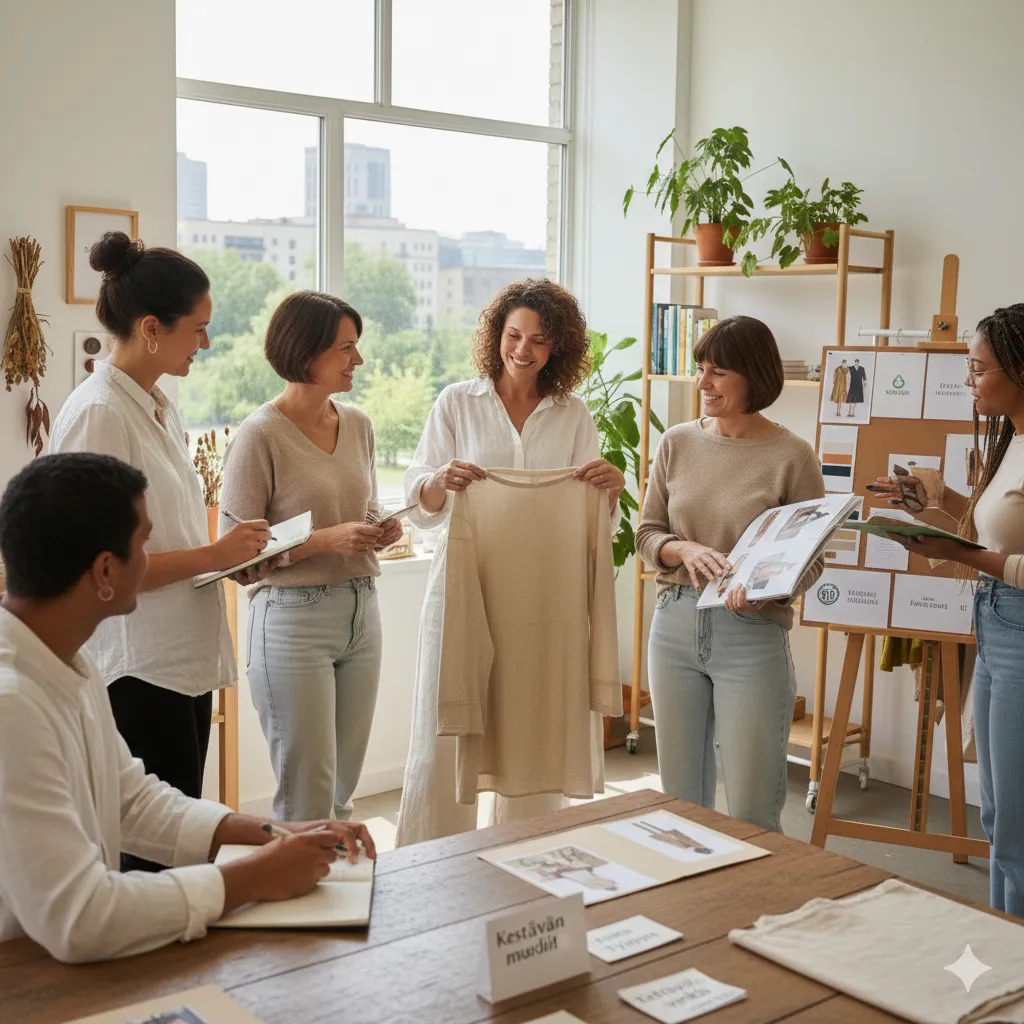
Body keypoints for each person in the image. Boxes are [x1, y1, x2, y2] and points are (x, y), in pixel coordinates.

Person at [0, 453, 376, 963]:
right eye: (145, 543)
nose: (153, 558)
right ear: (106, 570)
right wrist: (252, 877)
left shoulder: (68, 659)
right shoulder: (12, 705)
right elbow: (81, 918)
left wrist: (278, 832)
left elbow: (130, 801)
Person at [49, 233, 272, 871]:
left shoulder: (155, 406)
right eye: (196, 330)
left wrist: (230, 557)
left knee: (177, 848)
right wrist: (213, 556)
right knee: (150, 860)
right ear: (151, 328)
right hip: (139, 670)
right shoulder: (98, 414)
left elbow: (165, 537)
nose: (204, 343)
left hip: (179, 661)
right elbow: (98, 565)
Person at [396, 278, 625, 846]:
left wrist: (610, 488)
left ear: (559, 348)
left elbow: (595, 520)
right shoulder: (456, 402)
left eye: (539, 341)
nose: (522, 350)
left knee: (533, 726)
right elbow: (418, 503)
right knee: (445, 736)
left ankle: (527, 859)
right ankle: (427, 868)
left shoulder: (573, 416)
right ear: (495, 335)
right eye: (514, 335)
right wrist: (437, 481)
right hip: (463, 591)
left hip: (543, 598)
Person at [635, 316, 826, 832]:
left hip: (751, 634)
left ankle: (763, 912)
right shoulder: (676, 442)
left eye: (717, 372)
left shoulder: (792, 456)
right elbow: (646, 534)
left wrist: (767, 595)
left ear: (754, 376)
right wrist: (683, 548)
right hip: (673, 627)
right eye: (701, 370)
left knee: (752, 807)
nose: (703, 384)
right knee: (680, 802)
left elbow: (812, 559)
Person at [219, 292, 400, 823]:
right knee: (307, 794)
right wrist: (324, 541)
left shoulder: (360, 425)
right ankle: (298, 899)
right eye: (346, 348)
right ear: (305, 352)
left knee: (343, 789)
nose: (357, 361)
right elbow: (238, 557)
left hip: (361, 612)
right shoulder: (259, 435)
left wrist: (377, 527)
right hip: (292, 620)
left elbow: (361, 509)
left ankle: (339, 899)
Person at [873, 304, 1024, 919]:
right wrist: (937, 504)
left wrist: (960, 555)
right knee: (998, 815)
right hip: (995, 625)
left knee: (1014, 826)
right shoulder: (1014, 439)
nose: (969, 379)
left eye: (978, 367)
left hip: (1016, 628)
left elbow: (1000, 557)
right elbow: (1004, 530)